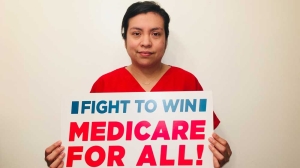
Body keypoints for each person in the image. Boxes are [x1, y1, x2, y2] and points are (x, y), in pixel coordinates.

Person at [44, 1, 232, 168]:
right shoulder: (104, 85)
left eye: (156, 34)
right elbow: (89, 150)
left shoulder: (187, 82)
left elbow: (202, 147)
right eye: (136, 33)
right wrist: (64, 159)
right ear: (125, 38)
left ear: (165, 39)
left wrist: (218, 155)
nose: (146, 42)